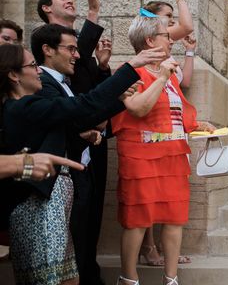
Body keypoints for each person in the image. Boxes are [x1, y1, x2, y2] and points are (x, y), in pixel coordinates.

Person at [0, 43, 162, 285]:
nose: (39, 71)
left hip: (53, 204)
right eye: (33, 65)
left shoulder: (31, 106)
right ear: (13, 75)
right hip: (38, 208)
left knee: (68, 278)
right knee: (48, 279)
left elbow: (80, 118)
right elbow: (81, 106)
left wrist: (118, 98)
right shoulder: (20, 107)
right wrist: (130, 67)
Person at [111, 16, 213, 285]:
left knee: (175, 216)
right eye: (165, 35)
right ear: (149, 41)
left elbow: (173, 113)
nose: (170, 39)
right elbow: (139, 108)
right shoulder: (128, 72)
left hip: (173, 157)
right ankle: (129, 279)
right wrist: (164, 76)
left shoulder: (168, 74)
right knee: (137, 218)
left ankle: (171, 278)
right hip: (140, 158)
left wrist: (197, 124)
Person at [37, 0, 112, 285]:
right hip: (69, 143)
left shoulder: (78, 49)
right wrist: (93, 11)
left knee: (92, 213)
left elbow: (89, 81)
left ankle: (89, 271)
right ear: (46, 8)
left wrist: (104, 68)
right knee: (74, 220)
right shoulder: (45, 43)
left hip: (95, 140)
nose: (68, 0)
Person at [138, 0, 196, 267]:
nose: (172, 25)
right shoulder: (147, 38)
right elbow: (185, 25)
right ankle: (148, 248)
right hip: (149, 124)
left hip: (170, 124)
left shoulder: (166, 43)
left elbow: (186, 26)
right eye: (167, 19)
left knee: (167, 194)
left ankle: (163, 250)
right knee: (146, 193)